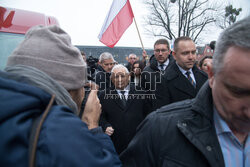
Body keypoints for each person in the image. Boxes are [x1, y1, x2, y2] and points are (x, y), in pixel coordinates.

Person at [120, 16, 250, 167]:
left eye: (193, 52)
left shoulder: (201, 76)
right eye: (238, 92)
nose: (191, 57)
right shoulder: (159, 127)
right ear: (212, 75)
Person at [0, 25, 122, 167]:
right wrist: (93, 126)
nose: (84, 92)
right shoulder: (58, 130)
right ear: (69, 89)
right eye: (82, 85)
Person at [99, 64, 152, 154]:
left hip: (138, 142)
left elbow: (149, 114)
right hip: (115, 144)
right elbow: (100, 116)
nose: (119, 80)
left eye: (122, 76)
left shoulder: (141, 92)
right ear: (111, 79)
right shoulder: (103, 95)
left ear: (128, 77)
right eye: (116, 77)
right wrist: (105, 126)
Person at [155, 36, 207, 109]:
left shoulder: (204, 77)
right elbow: (163, 114)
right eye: (185, 53)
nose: (191, 57)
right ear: (174, 55)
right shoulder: (163, 81)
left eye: (193, 52)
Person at [141, 39, 174, 109]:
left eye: (163, 50)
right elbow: (143, 94)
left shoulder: (177, 69)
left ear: (169, 52)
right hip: (154, 112)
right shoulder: (146, 71)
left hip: (174, 112)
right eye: (157, 50)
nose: (160, 53)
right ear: (154, 52)